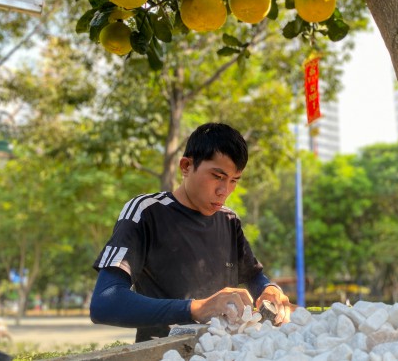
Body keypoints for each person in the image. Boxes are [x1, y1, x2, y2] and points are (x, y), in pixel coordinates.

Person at [90, 122, 293, 342]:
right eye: (217, 176)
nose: (224, 191)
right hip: (164, 354)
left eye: (234, 180)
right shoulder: (147, 212)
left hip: (226, 353)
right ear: (186, 166)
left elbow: (253, 276)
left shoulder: (229, 220)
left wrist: (269, 289)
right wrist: (196, 308)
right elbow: (104, 302)